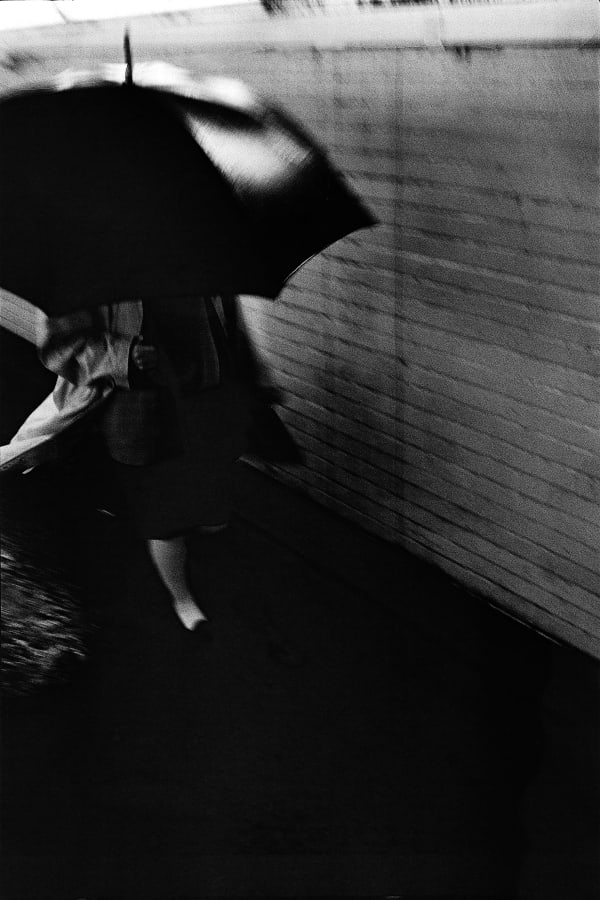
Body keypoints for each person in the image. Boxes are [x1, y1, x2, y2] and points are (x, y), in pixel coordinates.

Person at [1, 294, 294, 634]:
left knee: (207, 502)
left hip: (204, 405)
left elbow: (231, 330)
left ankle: (188, 533)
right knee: (167, 517)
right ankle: (181, 597)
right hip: (140, 412)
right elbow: (61, 346)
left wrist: (256, 381)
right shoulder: (95, 268)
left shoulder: (197, 259)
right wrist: (124, 356)